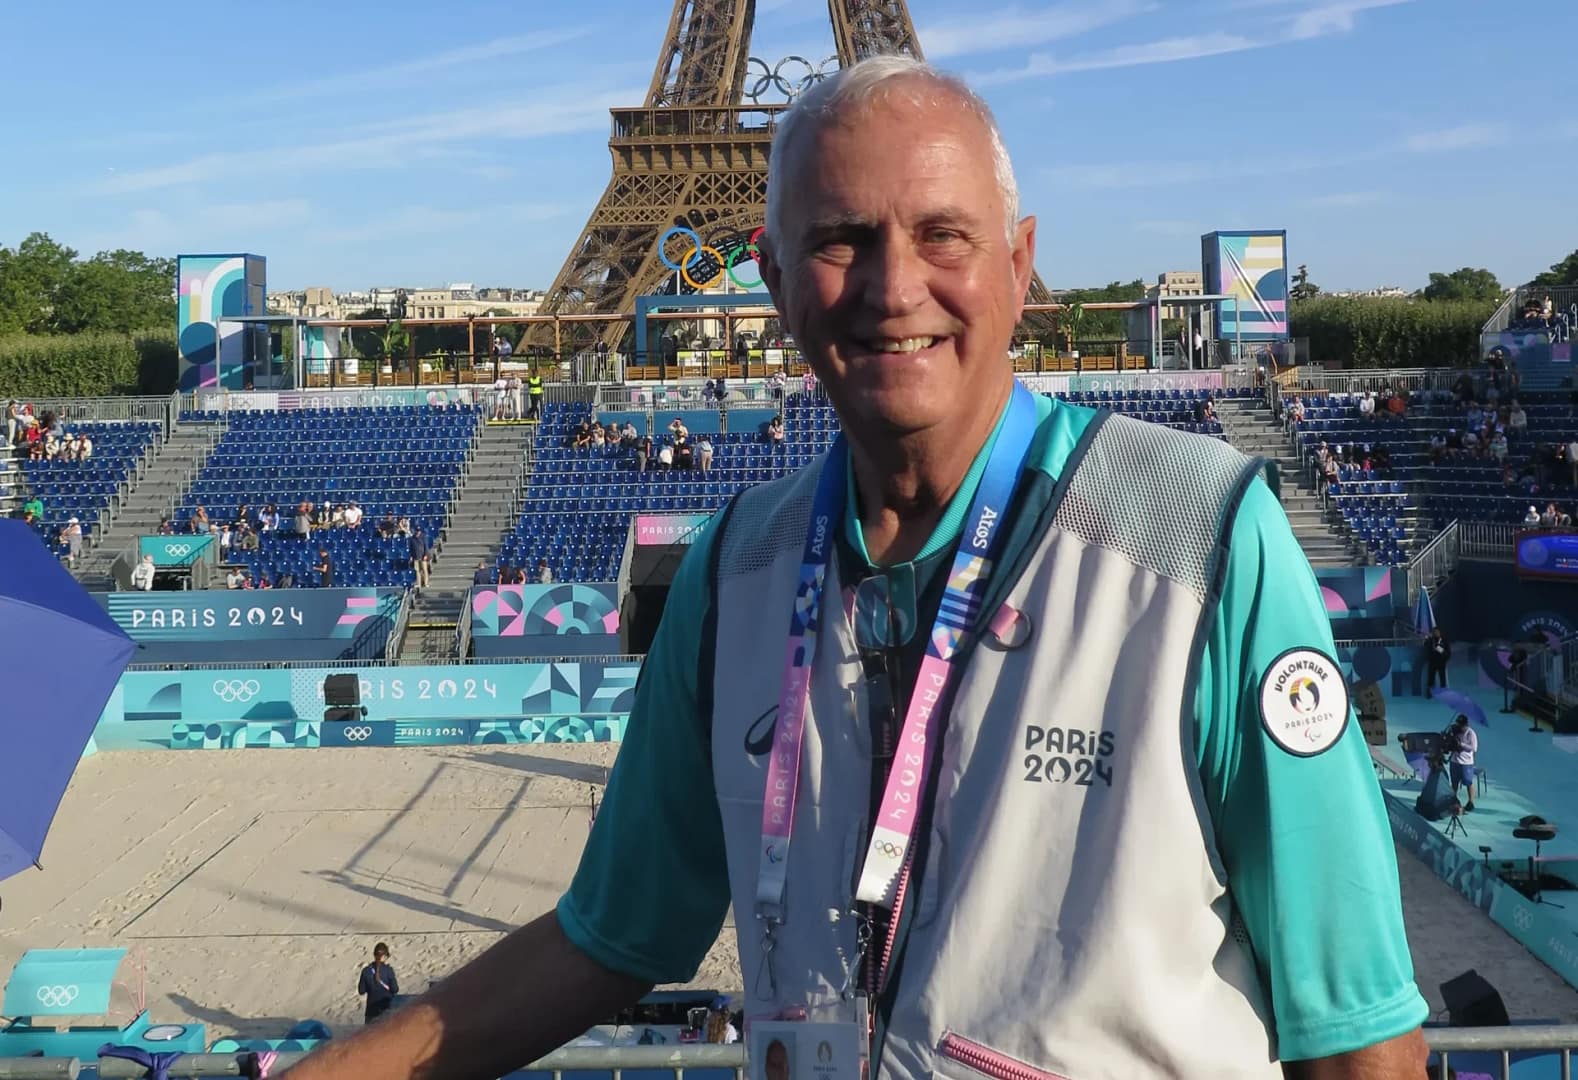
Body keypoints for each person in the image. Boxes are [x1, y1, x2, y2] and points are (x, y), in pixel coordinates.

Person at [282, 55, 1425, 1080]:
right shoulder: (736, 570)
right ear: (775, 280)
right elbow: (607, 937)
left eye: (944, 234)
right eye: (841, 240)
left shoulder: (1204, 535)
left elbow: (1358, 1032)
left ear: (1019, 266)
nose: (892, 287)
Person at [358, 943, 400, 1025]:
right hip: (385, 1011)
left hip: (370, 1012)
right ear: (384, 956)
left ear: (374, 955)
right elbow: (395, 989)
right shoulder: (389, 971)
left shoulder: (366, 971)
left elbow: (361, 991)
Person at [1446, 714, 1479, 812]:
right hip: (1454, 761)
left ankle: (1471, 802)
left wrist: (1462, 745)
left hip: (1466, 762)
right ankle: (1453, 800)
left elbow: (1474, 748)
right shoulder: (1454, 731)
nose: (1459, 727)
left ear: (1466, 725)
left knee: (1468, 782)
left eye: (1461, 725)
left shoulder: (1471, 733)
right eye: (1458, 724)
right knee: (1454, 782)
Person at [1424, 627, 1450, 697]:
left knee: (1442, 678)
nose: (1436, 633)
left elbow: (1448, 652)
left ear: (1440, 632)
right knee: (1431, 678)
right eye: (1434, 632)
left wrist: (1444, 658)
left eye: (1437, 632)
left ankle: (1444, 693)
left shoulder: (1444, 640)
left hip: (1441, 662)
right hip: (1432, 662)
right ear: (1432, 633)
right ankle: (1430, 693)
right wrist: (1426, 640)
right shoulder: (1430, 640)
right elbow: (1426, 647)